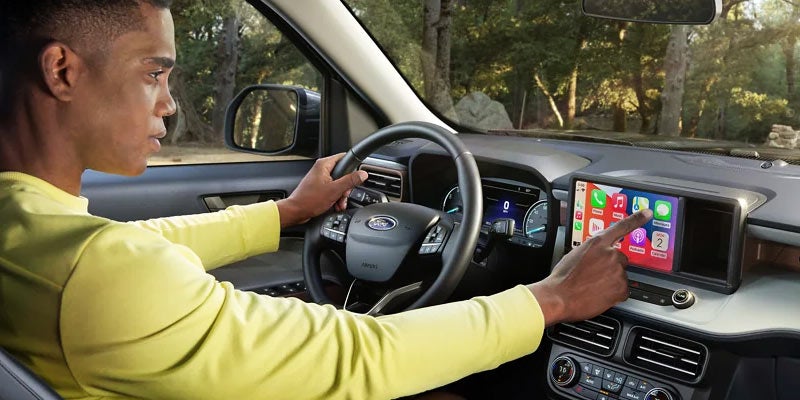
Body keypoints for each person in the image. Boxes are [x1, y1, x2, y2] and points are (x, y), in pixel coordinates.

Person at [0, 1, 652, 399]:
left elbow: (136, 247)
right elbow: (361, 358)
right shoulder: (101, 277)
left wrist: (287, 213)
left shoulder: (34, 230)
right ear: (62, 70)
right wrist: (553, 299)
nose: (169, 104)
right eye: (153, 73)